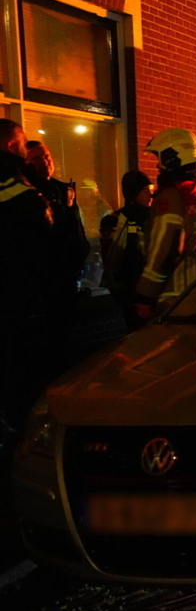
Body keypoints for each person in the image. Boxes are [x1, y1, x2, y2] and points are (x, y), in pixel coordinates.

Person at [135, 129, 196, 317]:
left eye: (159, 158)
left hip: (174, 298)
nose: (158, 166)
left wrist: (145, 295)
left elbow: (165, 250)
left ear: (171, 159)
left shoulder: (171, 196)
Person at [0, 120, 52, 431]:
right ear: (11, 147)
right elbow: (43, 239)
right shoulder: (19, 188)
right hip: (18, 292)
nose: (26, 148)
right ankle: (20, 429)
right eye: (23, 144)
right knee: (21, 364)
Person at [24, 140, 90, 375]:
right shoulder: (27, 193)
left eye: (47, 156)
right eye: (37, 158)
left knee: (64, 339)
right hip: (42, 282)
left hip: (66, 278)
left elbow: (75, 229)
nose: (46, 162)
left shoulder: (63, 189)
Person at [102, 171, 154, 327]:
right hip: (130, 292)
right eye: (146, 191)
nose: (151, 196)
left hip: (152, 291)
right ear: (133, 194)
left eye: (152, 191)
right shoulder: (115, 221)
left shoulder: (156, 218)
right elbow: (112, 261)